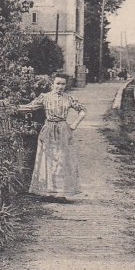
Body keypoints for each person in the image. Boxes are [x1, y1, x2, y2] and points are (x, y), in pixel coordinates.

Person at [19, 72, 86, 202]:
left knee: (62, 160)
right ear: (52, 84)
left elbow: (82, 111)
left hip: (63, 130)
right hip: (48, 129)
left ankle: (60, 194)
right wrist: (10, 108)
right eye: (57, 83)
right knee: (47, 160)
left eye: (63, 84)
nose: (60, 87)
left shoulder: (68, 98)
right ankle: (48, 192)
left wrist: (74, 124)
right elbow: (30, 107)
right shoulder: (45, 97)